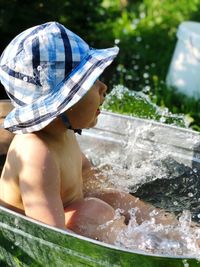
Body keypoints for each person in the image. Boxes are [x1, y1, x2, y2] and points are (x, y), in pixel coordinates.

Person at [0, 22, 177, 244]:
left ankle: (178, 232)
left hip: (69, 209)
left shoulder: (61, 129)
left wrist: (117, 192)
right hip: (35, 232)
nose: (104, 88)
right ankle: (148, 251)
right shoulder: (35, 153)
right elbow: (48, 237)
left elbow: (86, 174)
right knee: (92, 212)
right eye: (91, 82)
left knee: (115, 197)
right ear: (62, 104)